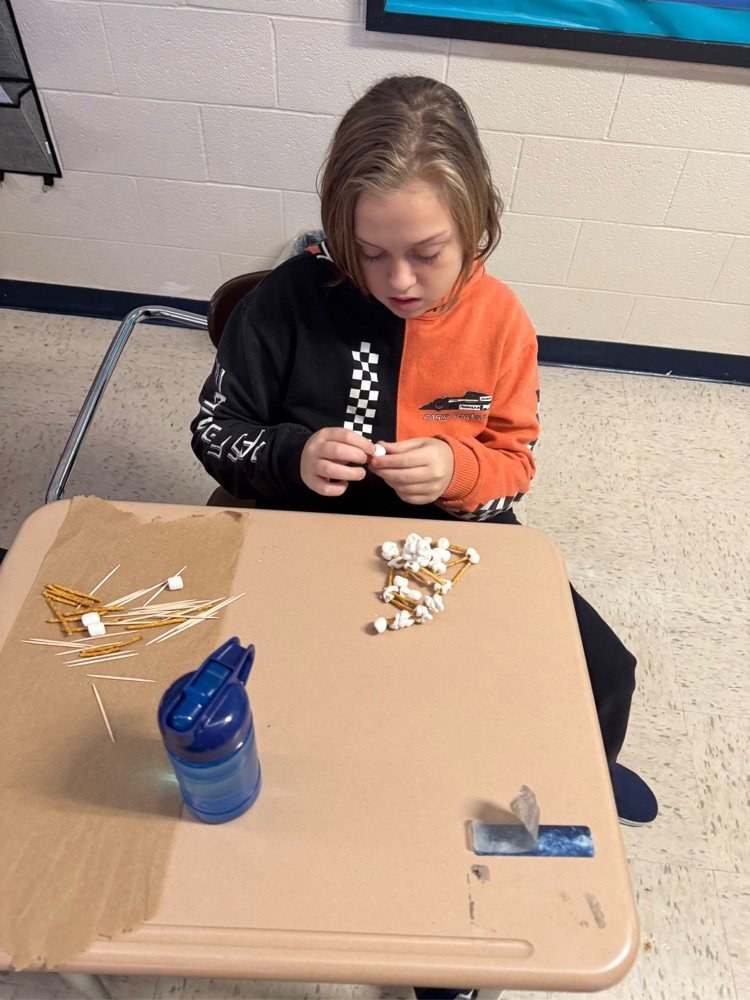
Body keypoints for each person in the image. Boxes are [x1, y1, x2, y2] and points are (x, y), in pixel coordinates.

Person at [191, 75, 657, 998]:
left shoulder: (501, 319)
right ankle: (389, 896)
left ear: (475, 224)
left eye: (427, 254)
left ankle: (570, 800)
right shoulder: (288, 301)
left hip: (450, 533)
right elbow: (214, 430)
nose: (398, 281)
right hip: (302, 529)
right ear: (338, 230)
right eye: (371, 255)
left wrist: (459, 471)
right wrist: (288, 452)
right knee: (360, 722)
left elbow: (514, 459)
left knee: (603, 672)